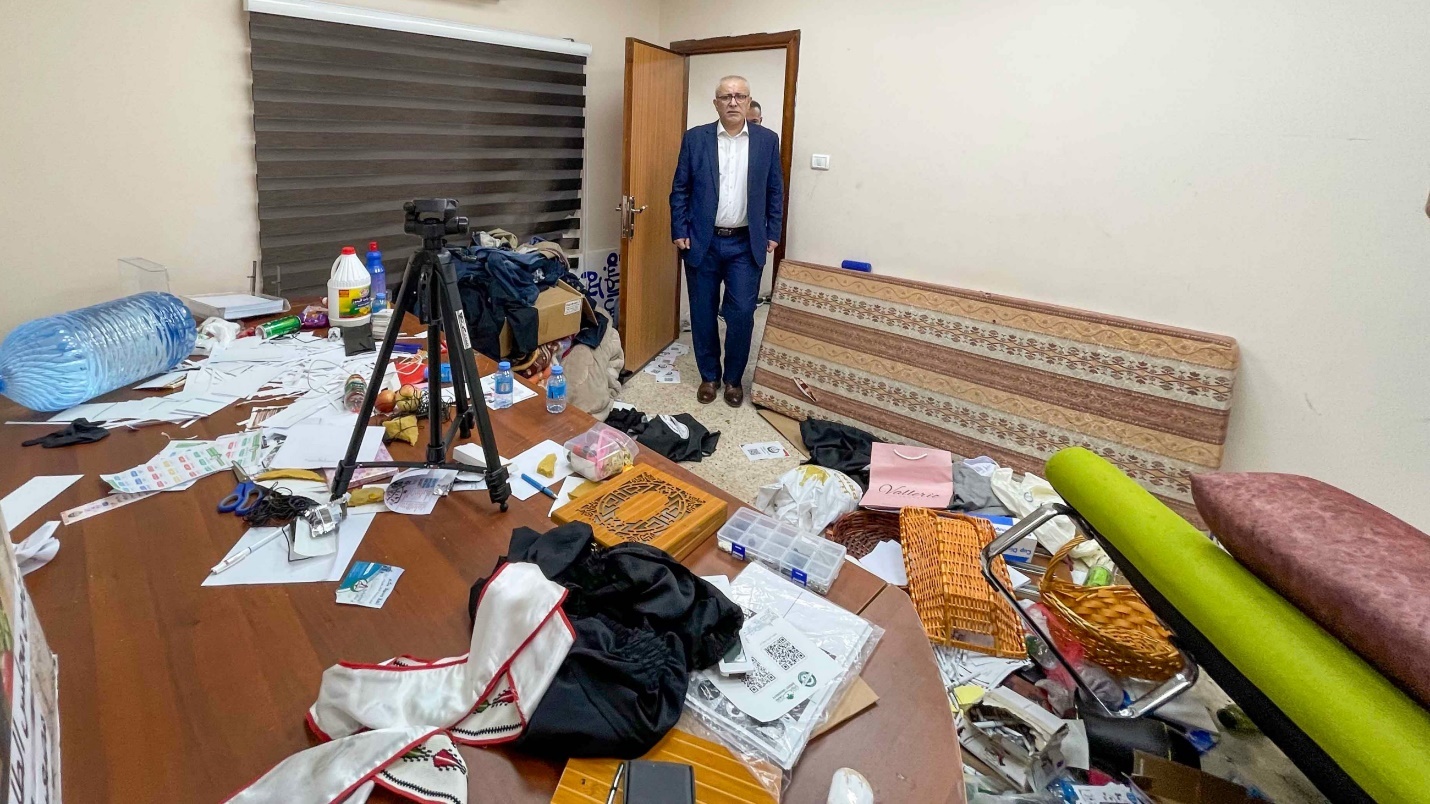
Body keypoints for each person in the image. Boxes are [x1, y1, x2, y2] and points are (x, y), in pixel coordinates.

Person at [669, 76, 784, 407]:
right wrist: (680, 229)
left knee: (742, 313)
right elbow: (680, 189)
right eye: (726, 97)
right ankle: (709, 376)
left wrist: (773, 232)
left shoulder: (766, 141)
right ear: (716, 103)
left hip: (745, 244)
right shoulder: (695, 139)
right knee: (702, 313)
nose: (733, 102)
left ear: (749, 102)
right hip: (702, 242)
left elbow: (775, 189)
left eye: (740, 96)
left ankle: (733, 380)